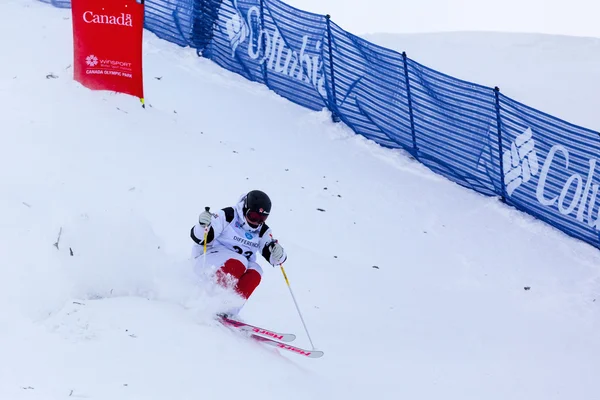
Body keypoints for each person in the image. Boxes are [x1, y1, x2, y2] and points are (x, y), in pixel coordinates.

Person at [190, 190, 287, 316]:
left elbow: (274, 257)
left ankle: (229, 310)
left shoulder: (262, 230)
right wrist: (202, 225)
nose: (256, 222)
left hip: (238, 263)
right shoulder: (228, 215)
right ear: (245, 208)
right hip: (208, 260)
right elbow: (201, 237)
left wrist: (278, 254)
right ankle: (210, 297)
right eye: (253, 216)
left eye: (262, 218)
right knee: (239, 262)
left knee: (256, 271)